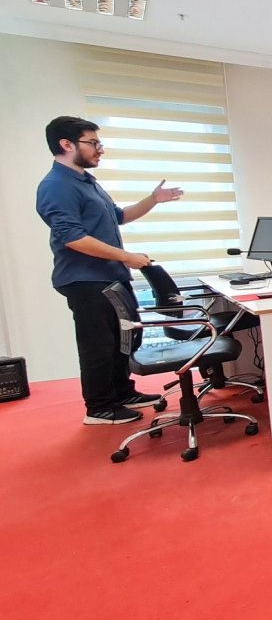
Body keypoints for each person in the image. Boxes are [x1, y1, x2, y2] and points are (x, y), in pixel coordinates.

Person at [36, 116, 184, 424]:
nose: (100, 149)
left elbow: (119, 216)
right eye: (93, 143)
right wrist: (126, 256)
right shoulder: (56, 185)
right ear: (67, 144)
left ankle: (122, 392)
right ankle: (100, 407)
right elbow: (72, 237)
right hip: (86, 279)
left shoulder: (88, 182)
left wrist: (153, 200)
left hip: (110, 276)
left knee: (123, 340)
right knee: (98, 346)